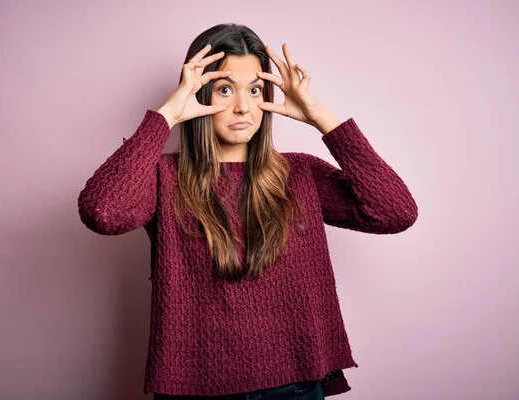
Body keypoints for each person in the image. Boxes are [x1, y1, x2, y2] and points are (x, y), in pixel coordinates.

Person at [77, 23, 418, 399]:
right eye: (225, 89)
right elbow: (103, 212)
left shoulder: (300, 172)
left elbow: (395, 212)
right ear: (200, 92)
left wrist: (321, 118)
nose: (243, 106)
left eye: (255, 90)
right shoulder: (163, 176)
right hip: (196, 389)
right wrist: (169, 114)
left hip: (296, 386)